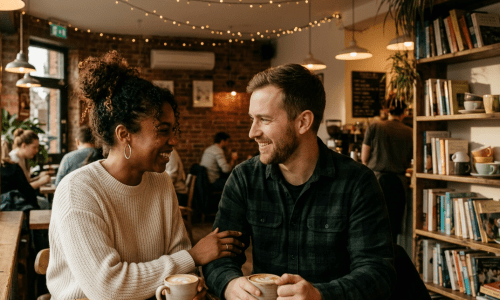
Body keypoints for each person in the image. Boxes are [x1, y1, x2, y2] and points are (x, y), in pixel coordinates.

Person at [47, 50, 244, 300]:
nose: (173, 140)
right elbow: (108, 287)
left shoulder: (160, 181)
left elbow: (180, 261)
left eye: (174, 130)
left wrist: (189, 285)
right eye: (162, 130)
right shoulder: (79, 190)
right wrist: (193, 257)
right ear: (124, 134)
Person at [203, 64, 395, 300]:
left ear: (303, 122)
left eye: (264, 119)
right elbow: (219, 257)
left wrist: (320, 295)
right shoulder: (245, 178)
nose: (252, 132)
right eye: (252, 119)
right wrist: (230, 284)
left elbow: (378, 272)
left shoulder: (357, 183)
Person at [361, 100, 413, 239]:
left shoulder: (375, 126)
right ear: (404, 112)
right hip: (399, 184)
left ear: (388, 111)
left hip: (376, 181)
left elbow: (364, 158)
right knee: (392, 232)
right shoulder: (410, 132)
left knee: (373, 228)